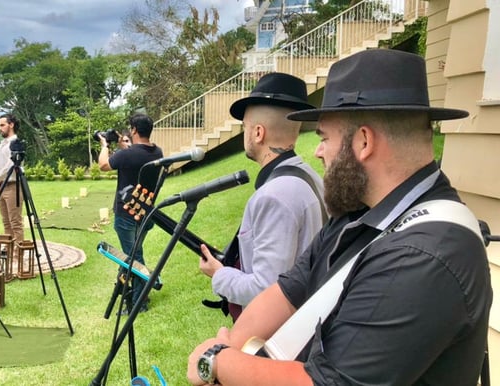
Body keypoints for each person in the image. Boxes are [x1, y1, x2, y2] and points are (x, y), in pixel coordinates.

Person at [187, 49, 491, 385]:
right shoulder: (357, 213)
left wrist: (217, 361)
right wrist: (231, 345)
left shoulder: (424, 257)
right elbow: (288, 291)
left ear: (363, 142)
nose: (317, 151)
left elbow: (330, 382)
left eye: (324, 138)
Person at [199, 73, 325, 322]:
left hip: (283, 335)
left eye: (245, 127)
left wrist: (219, 275)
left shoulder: (274, 195)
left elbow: (266, 289)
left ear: (258, 132)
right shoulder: (308, 175)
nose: (244, 134)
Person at [98, 113, 163, 313]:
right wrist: (121, 143)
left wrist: (105, 145)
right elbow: (135, 155)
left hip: (126, 215)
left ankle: (138, 303)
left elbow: (103, 165)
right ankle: (137, 294)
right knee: (136, 253)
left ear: (133, 130)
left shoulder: (127, 155)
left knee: (134, 258)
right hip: (146, 212)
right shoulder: (157, 152)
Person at [0, 113, 25, 273]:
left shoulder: (15, 143)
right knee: (6, 222)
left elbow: (8, 167)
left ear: (11, 125)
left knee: (15, 221)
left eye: (2, 125)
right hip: (1, 186)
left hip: (13, 185)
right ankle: (9, 249)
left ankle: (19, 253)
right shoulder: (2, 143)